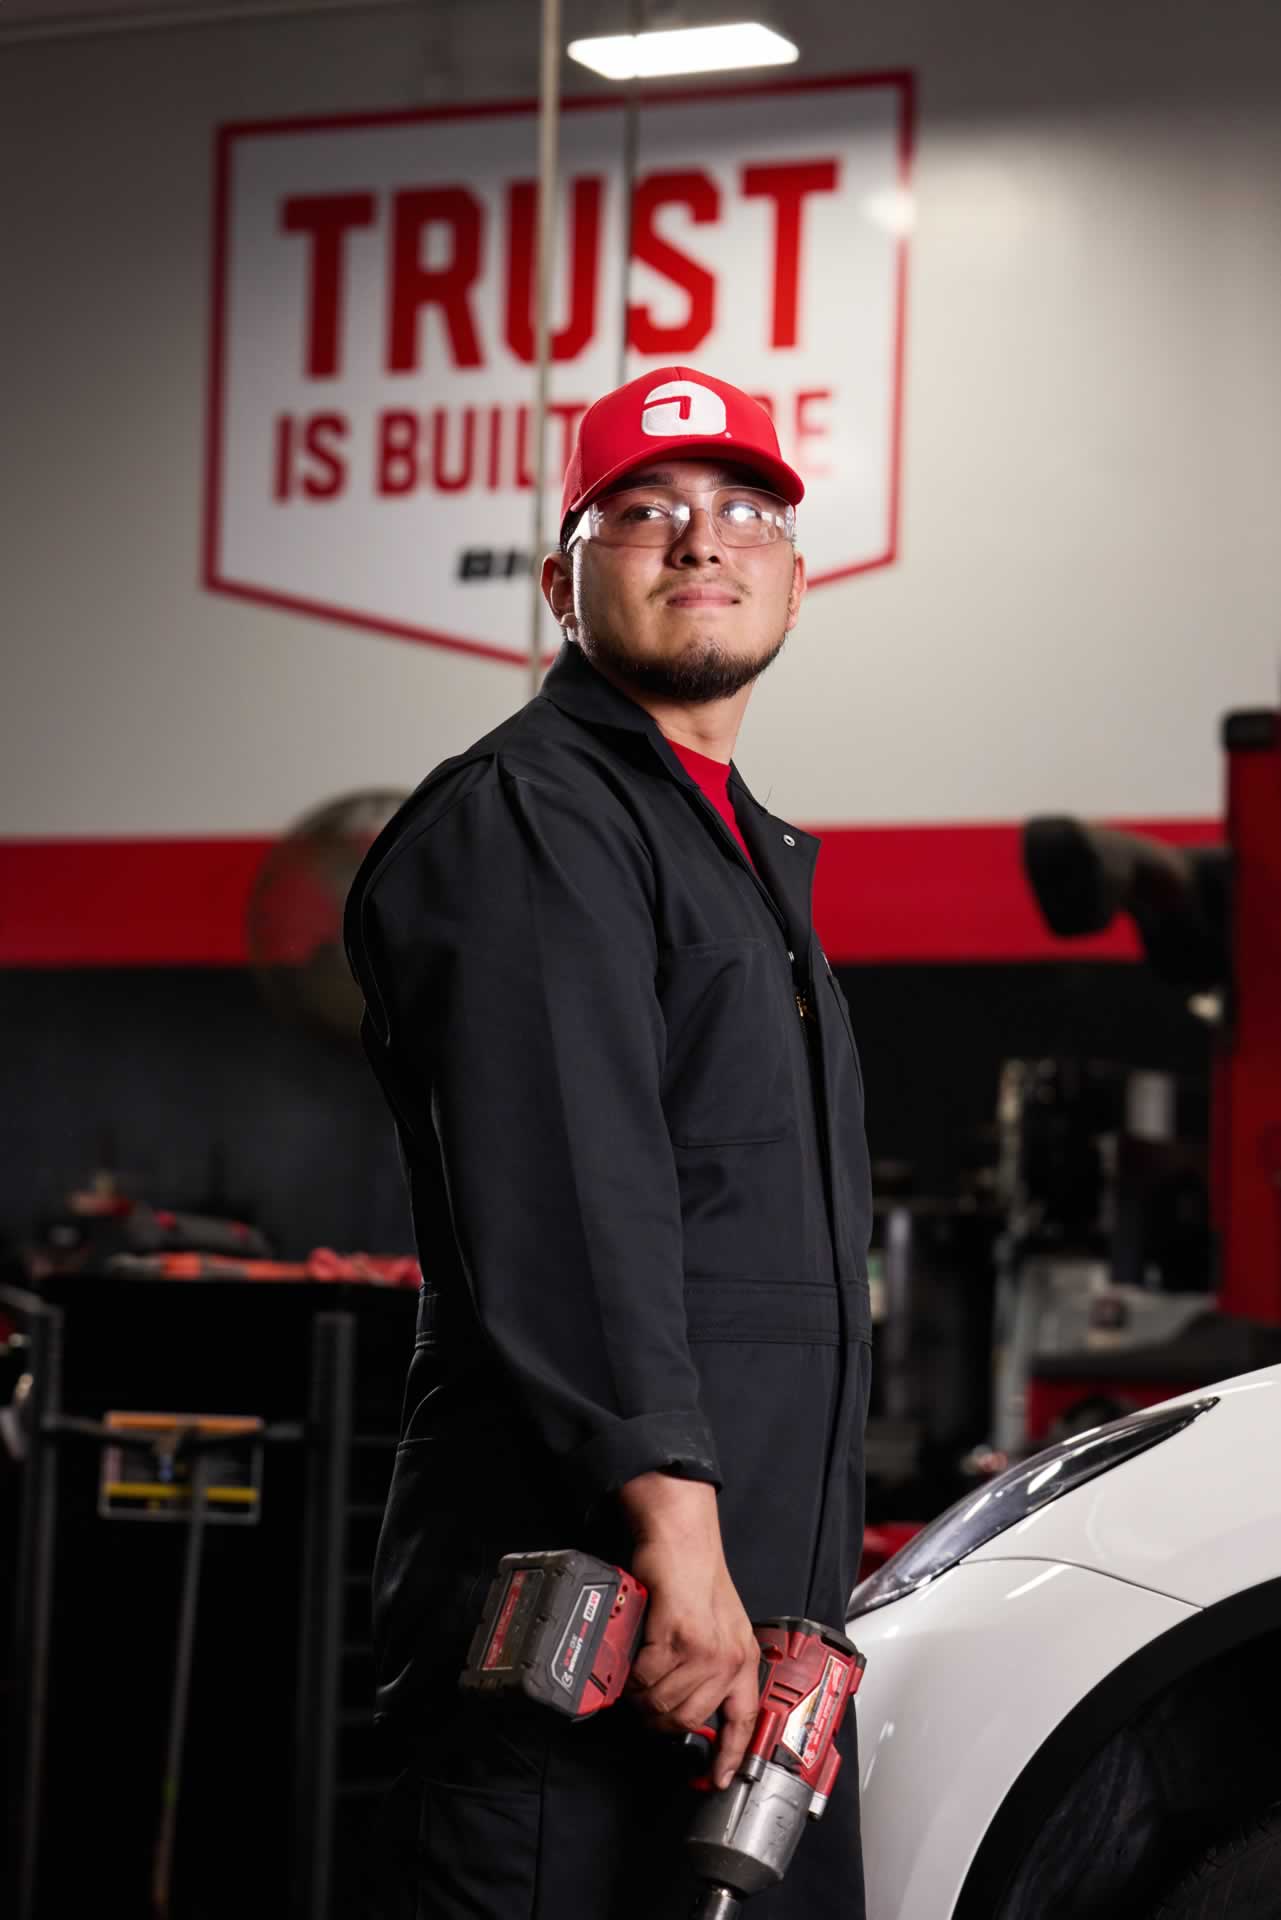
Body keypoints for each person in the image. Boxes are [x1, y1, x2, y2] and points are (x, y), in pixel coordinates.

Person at [344, 365, 873, 1920]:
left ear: (793, 573)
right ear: (566, 585)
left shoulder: (730, 851)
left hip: (739, 1607)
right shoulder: (529, 819)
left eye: (740, 512)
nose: (698, 540)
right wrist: (681, 1550)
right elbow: (576, 1209)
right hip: (606, 1606)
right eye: (641, 512)